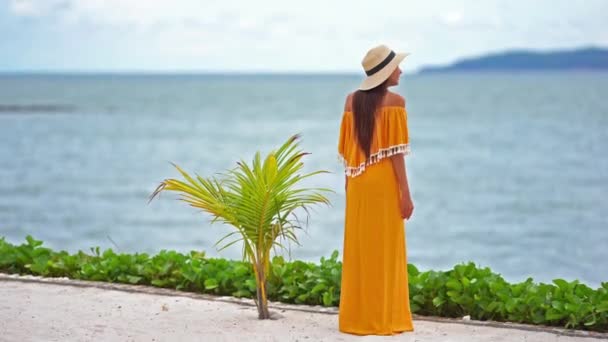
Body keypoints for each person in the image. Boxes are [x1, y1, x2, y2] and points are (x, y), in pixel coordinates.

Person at [337, 44, 415, 335]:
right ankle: (385, 317)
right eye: (397, 66)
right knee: (385, 250)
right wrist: (405, 194)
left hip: (357, 183)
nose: (401, 71)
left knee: (359, 249)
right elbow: (396, 154)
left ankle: (356, 319)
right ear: (385, 73)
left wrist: (348, 184)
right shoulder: (396, 102)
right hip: (383, 184)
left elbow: (348, 152)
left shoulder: (350, 101)